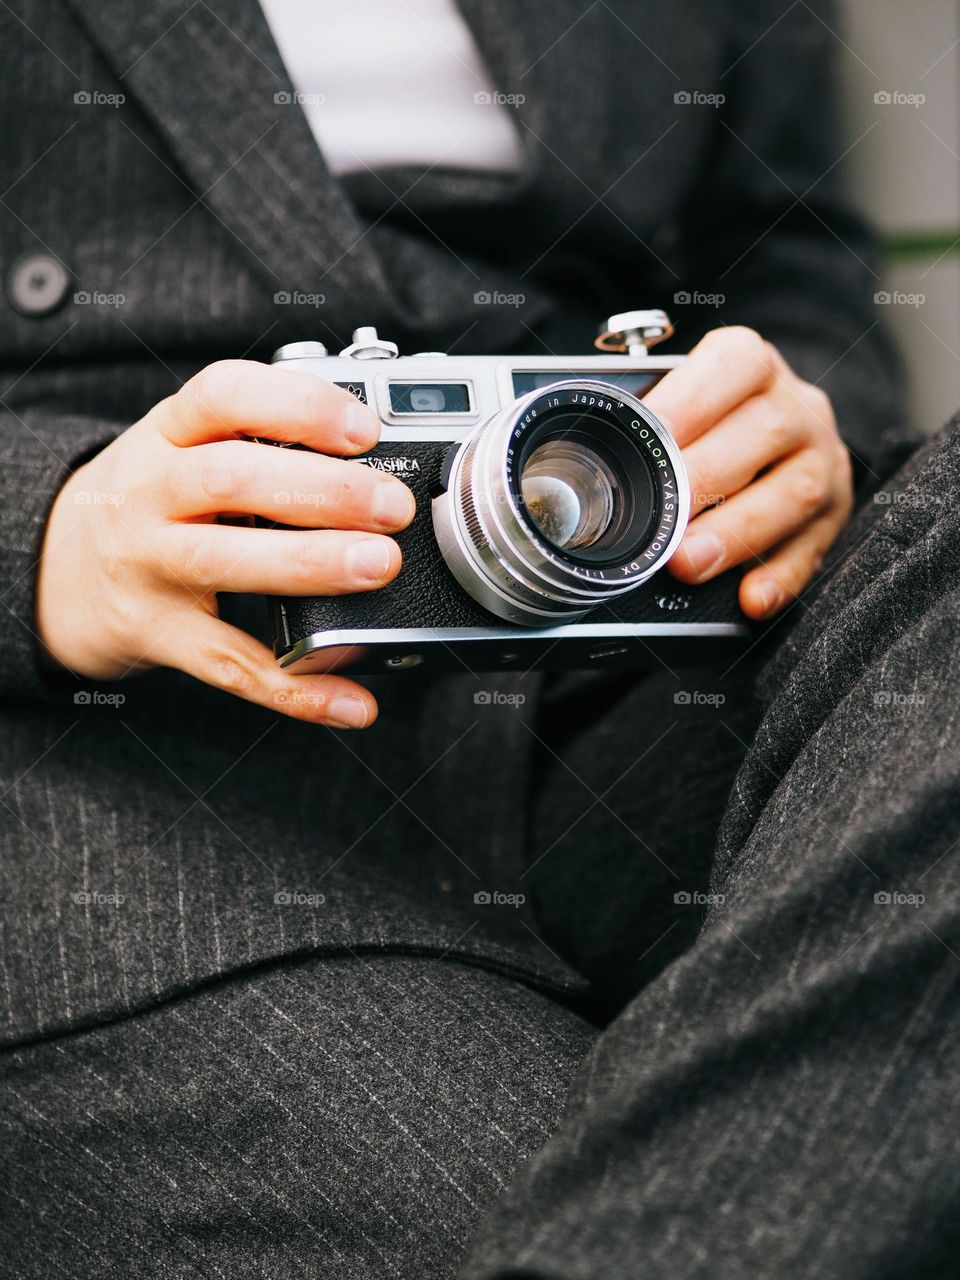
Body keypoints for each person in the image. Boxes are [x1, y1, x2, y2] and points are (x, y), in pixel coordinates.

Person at [2, 2, 955, 1277]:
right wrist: (46, 530)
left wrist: (784, 434)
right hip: (131, 753)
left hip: (650, 640)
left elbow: (789, 258)